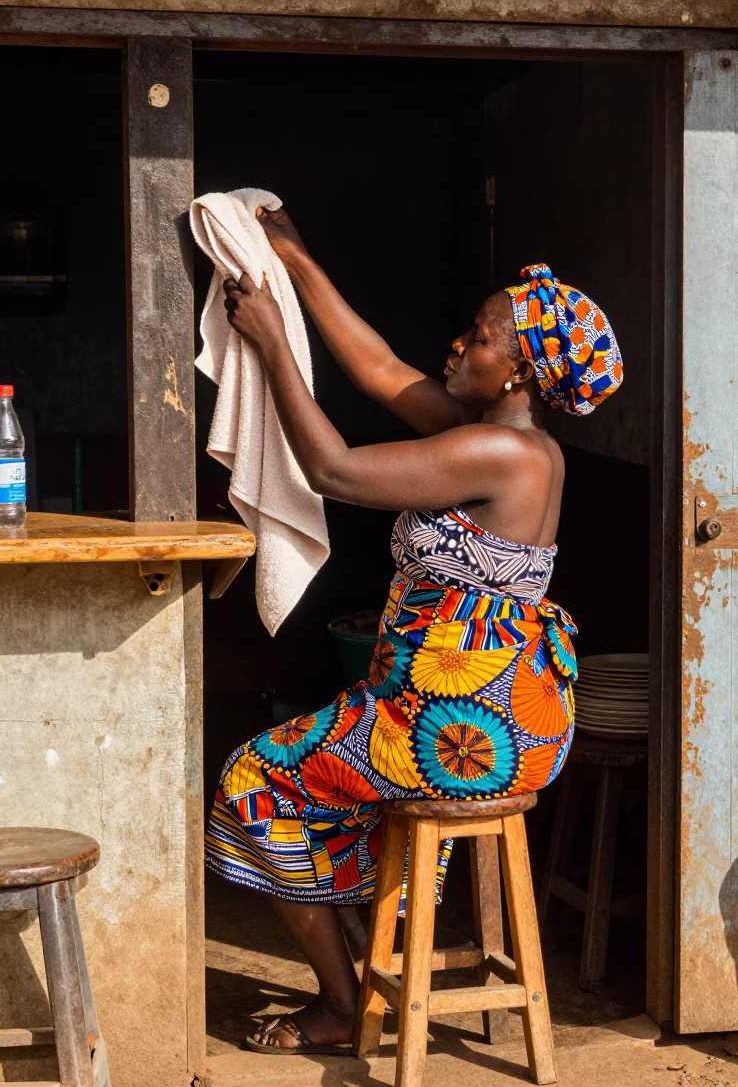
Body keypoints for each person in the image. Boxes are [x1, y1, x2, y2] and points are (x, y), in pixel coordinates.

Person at [205, 206, 623, 1055]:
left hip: (458, 730)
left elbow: (332, 470)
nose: (456, 348)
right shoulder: (509, 440)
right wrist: (298, 258)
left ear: (519, 373)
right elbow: (381, 368)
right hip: (468, 717)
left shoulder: (501, 456)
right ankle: (373, 957)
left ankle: (341, 996)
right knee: (320, 759)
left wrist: (275, 341)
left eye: (477, 339)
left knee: (252, 779)